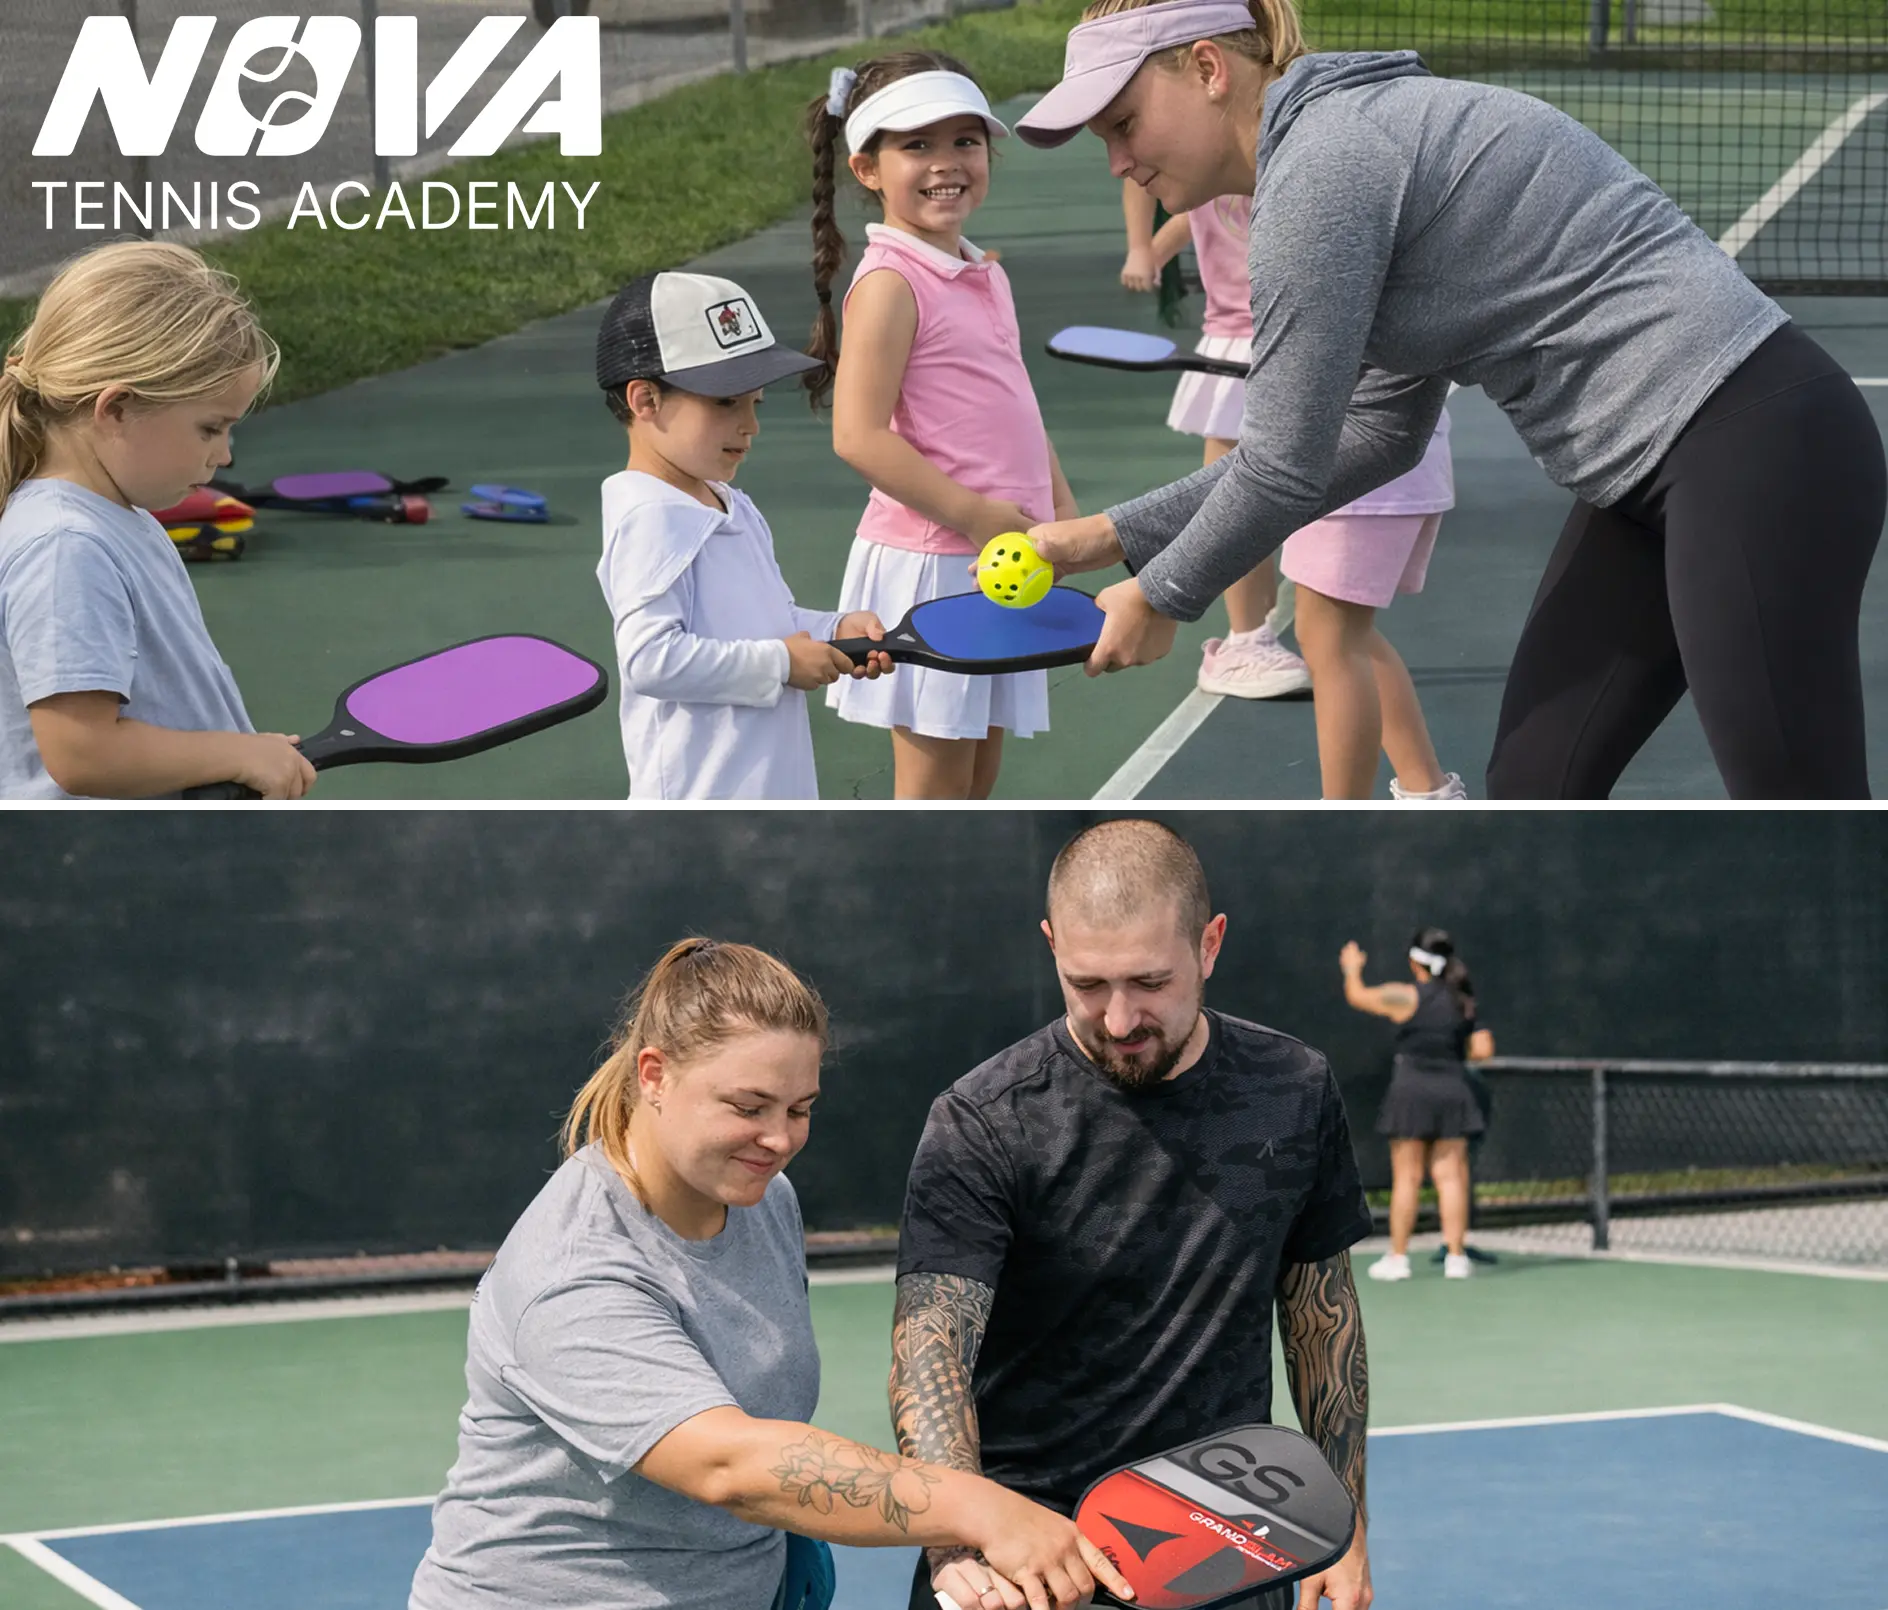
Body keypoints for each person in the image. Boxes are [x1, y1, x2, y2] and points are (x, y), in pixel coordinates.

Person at [1015, 0, 1885, 799]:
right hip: (1652, 478)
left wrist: (1161, 593)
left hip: (1756, 445)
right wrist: (1112, 538)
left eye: (1124, 125)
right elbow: (1376, 434)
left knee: (1802, 813)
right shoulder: (1342, 146)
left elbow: (1282, 466)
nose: (1120, 163)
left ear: (1209, 69)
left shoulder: (1325, 167)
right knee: (1535, 786)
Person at [410, 938, 1134, 1610]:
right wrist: (980, 1507)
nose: (780, 1139)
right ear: (654, 1075)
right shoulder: (574, 1273)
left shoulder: (758, 1197)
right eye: (748, 1107)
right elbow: (731, 1464)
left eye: (800, 1109)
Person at [891, 819, 1375, 1610]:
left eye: (1150, 983)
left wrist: (1342, 1524)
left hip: (1230, 1548)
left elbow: (1323, 1318)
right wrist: (956, 1542)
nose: (1119, 1020)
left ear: (1210, 945)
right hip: (1030, 1562)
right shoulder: (981, 1119)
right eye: (1088, 985)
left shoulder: (1295, 1088)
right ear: (1051, 944)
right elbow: (930, 1348)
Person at [1119, 183, 1464, 799]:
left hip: (1350, 428)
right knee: (1334, 635)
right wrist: (1143, 249)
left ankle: (1388, 798)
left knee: (1335, 639)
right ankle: (1424, 789)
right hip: (1323, 409)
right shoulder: (1234, 171)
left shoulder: (1319, 193)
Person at [804, 54, 1082, 799]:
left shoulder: (980, 267)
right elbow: (857, 435)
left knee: (979, 779)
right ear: (866, 168)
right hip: (934, 566)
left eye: (965, 141)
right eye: (916, 146)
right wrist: (978, 516)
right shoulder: (892, 282)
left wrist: (1063, 512)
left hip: (1001, 559)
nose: (945, 165)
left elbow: (1014, 401)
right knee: (933, 792)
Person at [0, 241, 316, 800]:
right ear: (115, 409)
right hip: (102, 873)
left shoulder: (117, 517)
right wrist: (234, 752)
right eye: (210, 428)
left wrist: (235, 752)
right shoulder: (65, 546)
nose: (225, 455)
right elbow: (83, 753)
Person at [594, 271, 892, 799]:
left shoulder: (730, 504)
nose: (750, 425)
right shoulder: (650, 516)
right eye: (725, 403)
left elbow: (769, 622)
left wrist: (832, 629)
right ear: (645, 401)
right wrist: (781, 662)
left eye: (755, 402)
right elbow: (650, 659)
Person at [1119, 183, 1310, 704]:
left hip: (1307, 333)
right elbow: (1170, 194)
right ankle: (1243, 641)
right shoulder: (1205, 137)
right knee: (1234, 503)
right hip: (1237, 339)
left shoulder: (1293, 135)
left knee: (1302, 499)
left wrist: (1153, 247)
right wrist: (1145, 247)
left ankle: (1269, 628)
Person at [1339, 929, 1495, 1280]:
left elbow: (1358, 995)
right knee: (1451, 1177)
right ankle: (1457, 1258)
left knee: (1407, 1178)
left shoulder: (1406, 997)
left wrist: (1352, 968)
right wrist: (1452, 1051)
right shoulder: (1462, 1000)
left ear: (1414, 962)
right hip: (1454, 1090)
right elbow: (1484, 1049)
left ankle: (1397, 1259)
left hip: (1412, 1091)